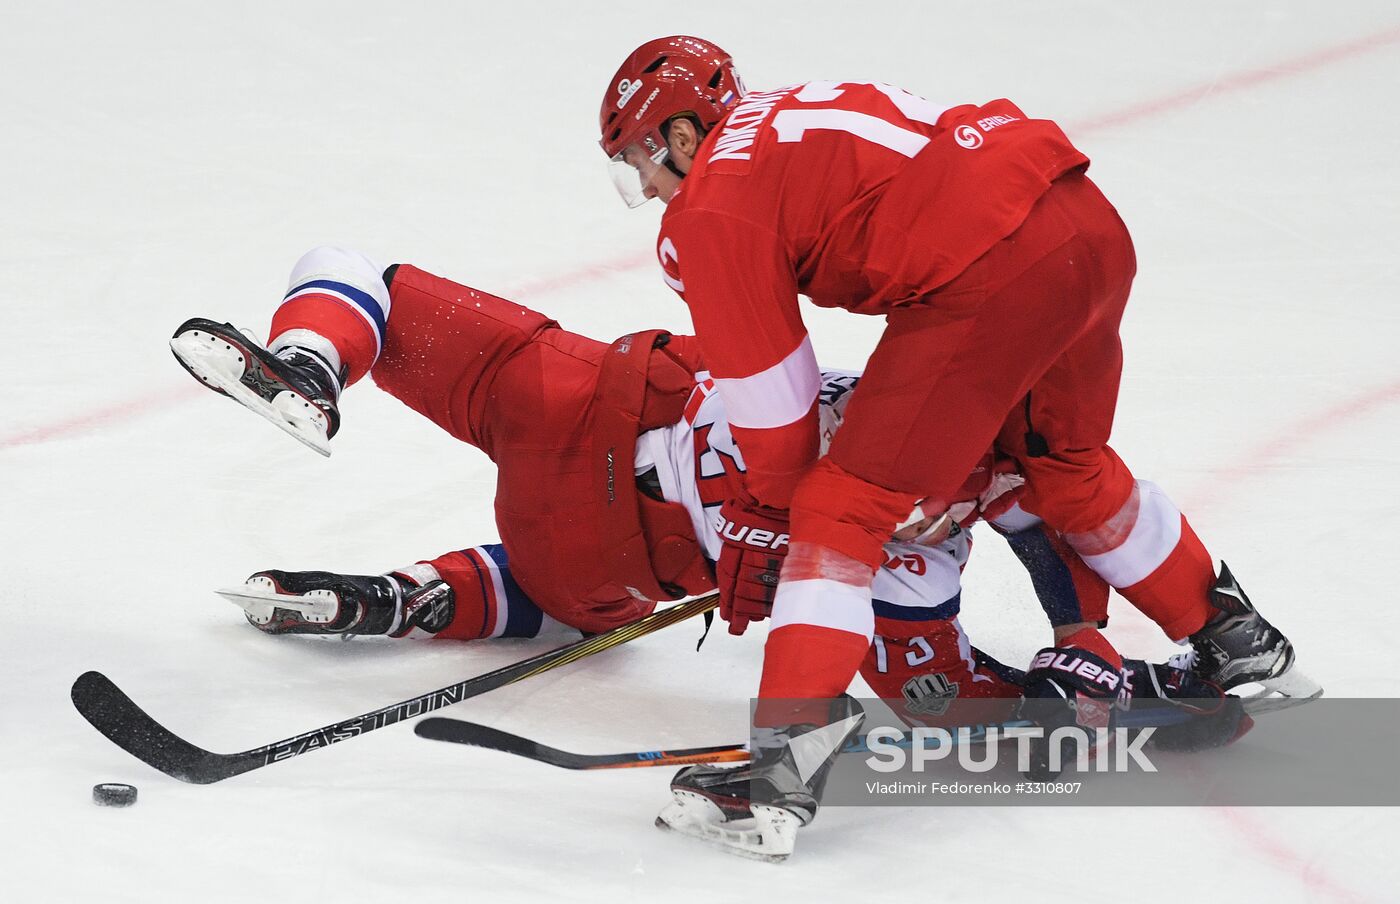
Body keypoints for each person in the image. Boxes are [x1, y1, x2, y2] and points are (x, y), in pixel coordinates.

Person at [599, 35, 1313, 857]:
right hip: (1083, 225)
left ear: (683, 136)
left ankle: (779, 772)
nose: (648, 190)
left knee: (837, 509)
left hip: (992, 274)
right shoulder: (785, 113)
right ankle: (1247, 647)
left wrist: (771, 523)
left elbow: (775, 404)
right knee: (1064, 465)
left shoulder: (712, 204)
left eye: (641, 163)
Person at [170, 247, 1245, 744]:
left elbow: (1015, 493)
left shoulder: (876, 397)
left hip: (571, 405)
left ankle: (310, 371)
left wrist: (1077, 630)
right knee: (590, 601)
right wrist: (1077, 688)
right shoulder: (912, 555)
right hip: (601, 565)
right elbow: (941, 698)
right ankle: (412, 597)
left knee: (364, 277)